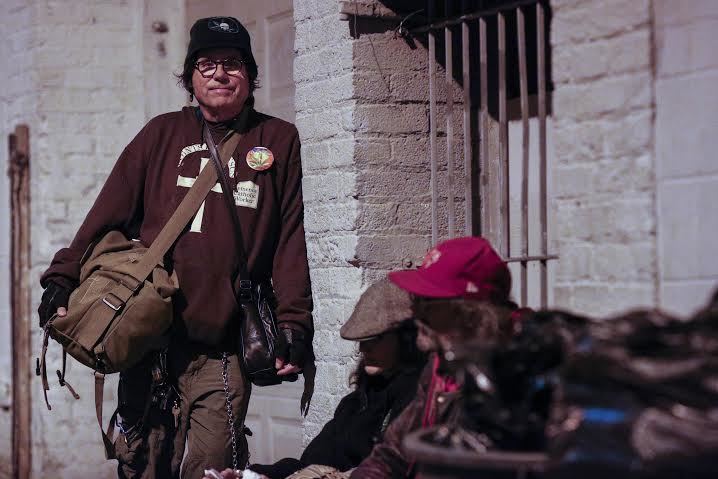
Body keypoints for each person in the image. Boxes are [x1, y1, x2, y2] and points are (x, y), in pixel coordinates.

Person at [36, 16, 313, 479]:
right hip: (149, 344)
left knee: (214, 470)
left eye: (232, 63)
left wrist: (294, 324)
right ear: (189, 77)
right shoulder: (161, 134)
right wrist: (62, 278)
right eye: (206, 64)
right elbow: (105, 215)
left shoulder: (277, 140)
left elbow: (289, 240)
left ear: (250, 74)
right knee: (143, 465)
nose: (220, 74)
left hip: (223, 350)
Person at [205, 279, 427, 479]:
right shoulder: (357, 403)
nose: (363, 348)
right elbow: (312, 463)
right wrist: (252, 474)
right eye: (362, 340)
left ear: (405, 339)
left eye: (374, 339)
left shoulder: (417, 402)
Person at [350, 236, 521, 479]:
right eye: (416, 300)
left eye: (427, 303)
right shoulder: (440, 365)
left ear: (470, 314)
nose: (415, 312)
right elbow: (393, 453)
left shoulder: (513, 376)